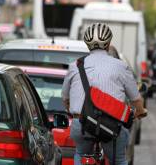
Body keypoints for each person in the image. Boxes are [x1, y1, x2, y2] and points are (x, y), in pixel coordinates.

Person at [62, 23, 147, 165]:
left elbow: (65, 98)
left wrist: (73, 111)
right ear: (108, 44)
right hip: (111, 127)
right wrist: (140, 111)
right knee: (119, 160)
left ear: (87, 45)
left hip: (81, 124)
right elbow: (136, 99)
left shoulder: (75, 66)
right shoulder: (121, 66)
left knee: (80, 153)